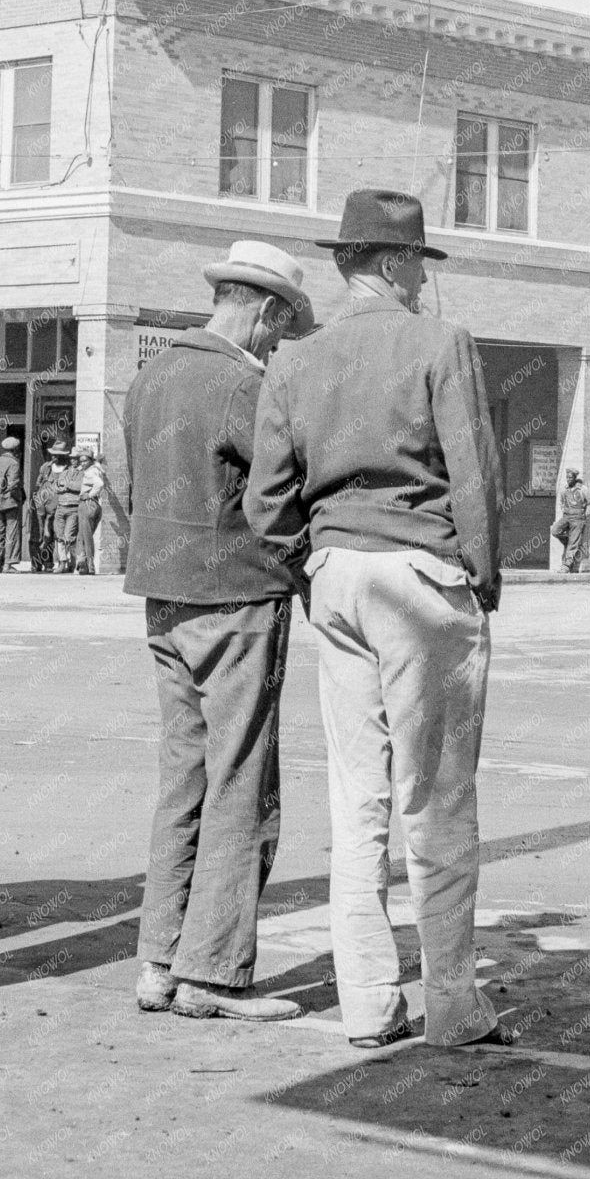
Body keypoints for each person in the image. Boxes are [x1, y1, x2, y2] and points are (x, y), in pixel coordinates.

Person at [246, 187, 508, 1052]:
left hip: (336, 577)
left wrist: (310, 566)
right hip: (421, 574)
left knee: (356, 800)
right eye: (419, 264)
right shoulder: (440, 345)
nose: (423, 281)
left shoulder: (294, 359)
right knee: (436, 801)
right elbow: (472, 474)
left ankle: (366, 1003)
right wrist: (483, 570)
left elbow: (266, 500)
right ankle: (452, 1005)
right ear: (397, 264)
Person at [119, 240, 315, 1022]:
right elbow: (282, 493)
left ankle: (159, 963)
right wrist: (301, 569)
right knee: (243, 785)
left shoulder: (150, 375)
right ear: (265, 309)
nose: (277, 342)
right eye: (280, 327)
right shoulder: (246, 384)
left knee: (185, 779)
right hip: (238, 598)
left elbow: (122, 492)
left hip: (164, 598)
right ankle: (215, 975)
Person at [0, 435, 24, 573]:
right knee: (11, 532)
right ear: (16, 449)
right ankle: (8, 563)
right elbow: (14, 483)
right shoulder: (13, 463)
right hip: (10, 501)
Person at [74, 444, 106, 576]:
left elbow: (99, 484)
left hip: (87, 503)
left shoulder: (91, 472)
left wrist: (89, 494)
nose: (82, 463)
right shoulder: (96, 469)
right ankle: (83, 564)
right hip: (94, 505)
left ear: (91, 460)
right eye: (81, 460)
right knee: (83, 536)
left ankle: (89, 566)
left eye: (85, 460)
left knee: (85, 536)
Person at [52, 449, 86, 573]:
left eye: (76, 458)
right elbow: (56, 486)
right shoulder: (64, 472)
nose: (74, 461)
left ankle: (73, 561)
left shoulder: (82, 473)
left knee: (69, 536)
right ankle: (62, 562)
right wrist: (64, 487)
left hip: (73, 508)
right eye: (72, 458)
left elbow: (80, 487)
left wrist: (67, 486)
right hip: (61, 507)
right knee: (59, 536)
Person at [553, 469, 590, 573]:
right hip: (566, 516)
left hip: (578, 518)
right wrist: (563, 509)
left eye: (570, 478)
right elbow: (561, 501)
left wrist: (585, 514)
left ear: (575, 478)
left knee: (573, 543)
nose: (568, 480)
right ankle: (569, 542)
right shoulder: (564, 489)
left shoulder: (583, 489)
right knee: (555, 530)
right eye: (567, 477)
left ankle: (566, 566)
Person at [31, 450, 63, 573]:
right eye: (53, 454)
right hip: (41, 504)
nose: (54, 457)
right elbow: (38, 482)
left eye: (57, 455)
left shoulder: (66, 470)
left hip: (56, 506)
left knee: (52, 534)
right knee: (38, 534)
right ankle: (36, 563)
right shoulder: (46, 467)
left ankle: (48, 563)